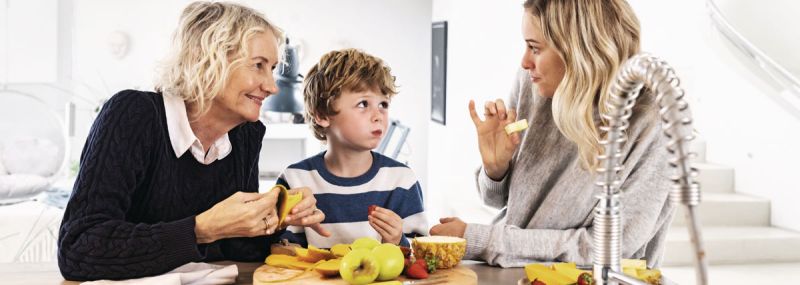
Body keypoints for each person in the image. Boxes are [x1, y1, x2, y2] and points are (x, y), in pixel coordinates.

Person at [57, 2, 328, 281]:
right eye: (258, 65)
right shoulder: (132, 115)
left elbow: (235, 247)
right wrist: (202, 229)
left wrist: (274, 217)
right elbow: (78, 249)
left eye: (271, 68)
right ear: (207, 59)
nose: (271, 86)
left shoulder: (245, 134)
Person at [430, 0, 676, 269]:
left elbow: (609, 247)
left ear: (579, 48)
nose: (524, 62)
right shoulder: (532, 85)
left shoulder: (654, 117)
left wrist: (480, 239)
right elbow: (501, 202)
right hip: (516, 273)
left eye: (534, 48)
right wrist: (495, 169)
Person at [276, 49, 428, 248]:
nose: (378, 115)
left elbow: (422, 254)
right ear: (322, 115)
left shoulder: (401, 180)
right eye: (363, 103)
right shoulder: (295, 178)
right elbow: (283, 249)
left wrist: (396, 240)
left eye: (383, 104)